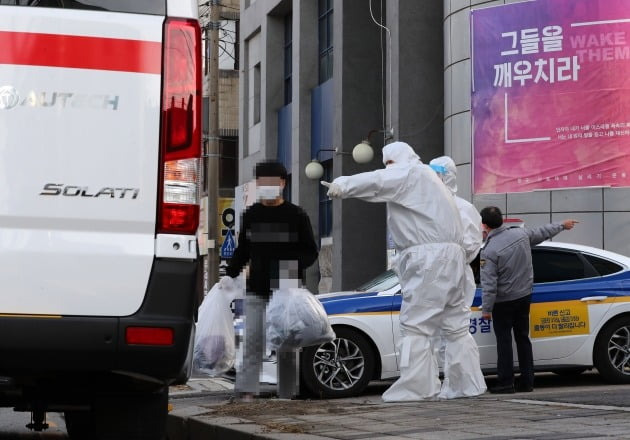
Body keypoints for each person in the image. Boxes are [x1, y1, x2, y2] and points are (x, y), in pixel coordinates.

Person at [321, 141, 486, 401]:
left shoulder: (412, 173)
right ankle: (465, 385)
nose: (388, 167)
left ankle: (417, 388)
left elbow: (377, 182)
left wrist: (343, 184)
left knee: (416, 325)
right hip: (452, 260)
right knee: (455, 326)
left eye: (389, 162)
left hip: (428, 258)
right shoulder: (436, 186)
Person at [223, 161, 318, 400]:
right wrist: (230, 274)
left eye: (272, 182)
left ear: (283, 184)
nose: (267, 186)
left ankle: (287, 394)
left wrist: (290, 266)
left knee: (286, 345)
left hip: (287, 289)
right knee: (253, 340)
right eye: (262, 182)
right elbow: (243, 250)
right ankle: (247, 393)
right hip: (257, 288)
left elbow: (310, 251)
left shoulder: (296, 215)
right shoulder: (251, 215)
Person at [479, 206, 578, 393]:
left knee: (504, 341)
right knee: (523, 338)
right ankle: (527, 381)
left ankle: (506, 382)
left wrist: (486, 310)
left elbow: (489, 284)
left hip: (503, 302)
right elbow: (542, 232)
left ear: (484, 224)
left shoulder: (490, 250)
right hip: (524, 296)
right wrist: (562, 225)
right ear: (502, 219)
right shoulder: (521, 235)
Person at [429, 155, 486, 398]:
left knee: (455, 331)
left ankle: (463, 384)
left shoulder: (463, 208)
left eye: (439, 175)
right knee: (436, 335)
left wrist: (447, 258)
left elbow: (472, 245)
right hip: (432, 279)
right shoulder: (425, 208)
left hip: (454, 277)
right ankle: (449, 383)